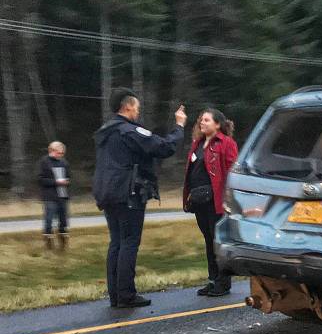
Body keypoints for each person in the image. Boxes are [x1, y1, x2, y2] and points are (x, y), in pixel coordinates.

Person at [93, 89, 186, 309]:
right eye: (136, 107)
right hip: (128, 194)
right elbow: (164, 147)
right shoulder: (129, 131)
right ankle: (126, 294)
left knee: (116, 242)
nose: (138, 111)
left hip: (107, 193)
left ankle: (115, 294)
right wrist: (179, 126)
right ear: (127, 107)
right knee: (129, 242)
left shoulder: (105, 133)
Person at [183, 108, 238, 297]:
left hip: (216, 201)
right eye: (201, 120)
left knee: (218, 241)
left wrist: (230, 199)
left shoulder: (226, 143)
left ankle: (223, 283)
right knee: (208, 241)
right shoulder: (197, 144)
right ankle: (212, 280)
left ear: (217, 124)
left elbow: (232, 171)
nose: (202, 123)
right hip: (200, 201)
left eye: (207, 120)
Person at [38, 141, 71, 250]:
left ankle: (63, 244)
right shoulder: (44, 162)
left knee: (64, 220)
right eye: (59, 153)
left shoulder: (64, 163)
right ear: (51, 151)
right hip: (50, 196)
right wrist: (56, 182)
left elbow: (69, 176)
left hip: (63, 196)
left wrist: (67, 181)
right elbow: (40, 180)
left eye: (62, 153)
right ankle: (49, 244)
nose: (61, 155)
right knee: (49, 220)